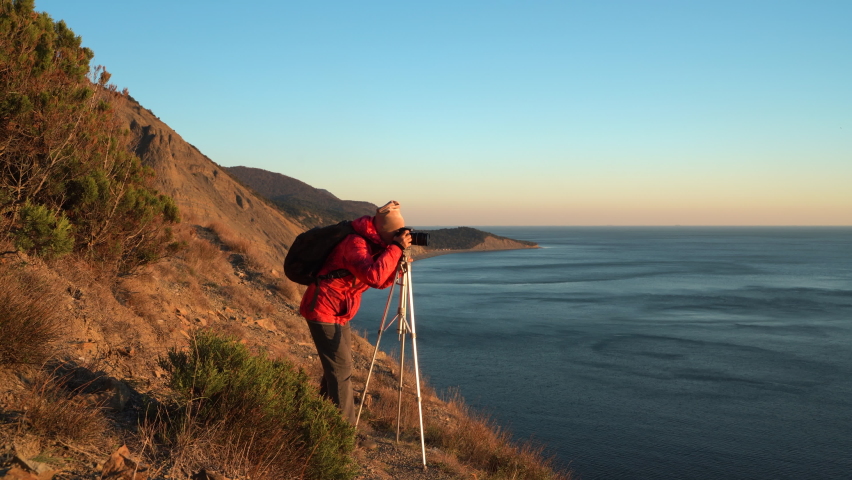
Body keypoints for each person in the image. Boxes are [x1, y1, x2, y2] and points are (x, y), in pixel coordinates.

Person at [300, 200, 412, 423]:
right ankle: (344, 438)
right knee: (341, 372)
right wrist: (396, 249)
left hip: (338, 310)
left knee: (337, 369)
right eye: (396, 233)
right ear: (383, 230)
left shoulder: (373, 242)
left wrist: (396, 258)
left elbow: (379, 282)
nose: (399, 237)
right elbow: (374, 275)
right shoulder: (355, 242)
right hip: (323, 308)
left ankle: (320, 422)